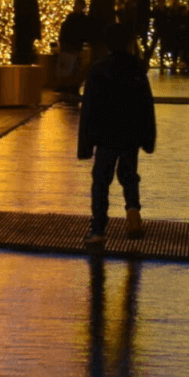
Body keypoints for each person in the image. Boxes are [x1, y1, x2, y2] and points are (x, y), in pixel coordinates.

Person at [77, 23, 156, 248]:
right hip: (130, 133)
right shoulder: (136, 70)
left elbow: (89, 108)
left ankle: (99, 228)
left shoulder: (99, 69)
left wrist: (85, 145)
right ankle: (133, 214)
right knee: (129, 174)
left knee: (101, 180)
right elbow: (146, 107)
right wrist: (148, 138)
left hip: (106, 135)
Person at [10, 0, 43, 65]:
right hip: (27, 31)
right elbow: (33, 17)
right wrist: (37, 33)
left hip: (21, 30)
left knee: (21, 52)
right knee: (25, 53)